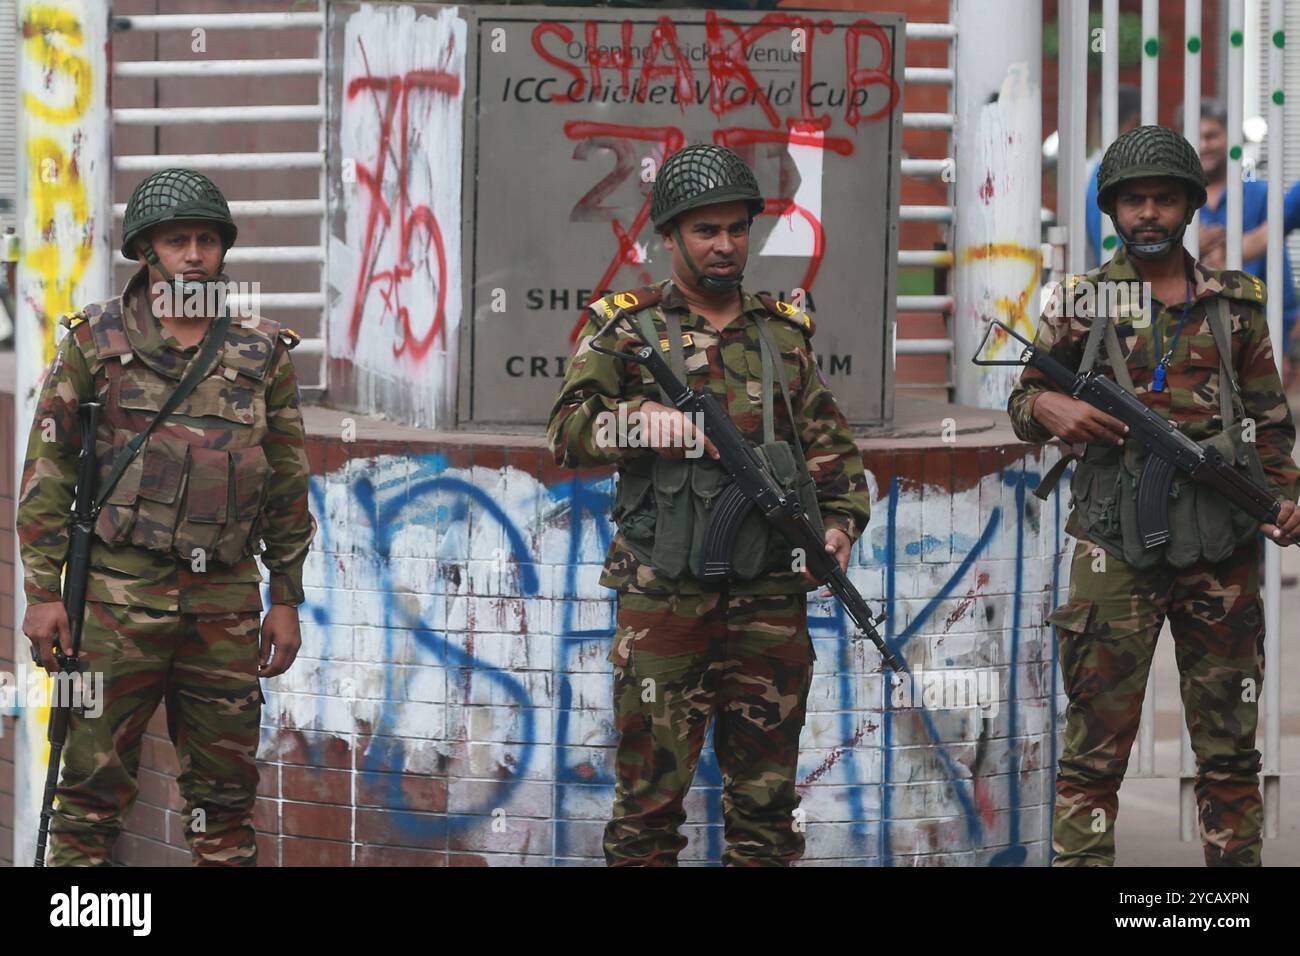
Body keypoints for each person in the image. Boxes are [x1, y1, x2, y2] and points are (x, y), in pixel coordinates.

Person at [546, 144, 872, 866]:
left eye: (735, 228)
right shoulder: (624, 331)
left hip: (768, 605)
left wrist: (842, 526)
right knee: (648, 811)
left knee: (766, 810)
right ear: (668, 237)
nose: (724, 244)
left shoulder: (782, 334)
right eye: (705, 230)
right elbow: (566, 432)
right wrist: (639, 422)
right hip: (665, 606)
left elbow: (833, 455)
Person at [1008, 126, 1300, 866]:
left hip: (1221, 551)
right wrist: (1049, 410)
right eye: (1134, 199)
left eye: (1164, 199)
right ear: (1111, 210)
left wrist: (1288, 498)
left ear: (1189, 208)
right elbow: (1023, 399)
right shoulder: (1081, 302)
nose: (1148, 213)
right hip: (1113, 549)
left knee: (1231, 754)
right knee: (1094, 755)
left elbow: (1271, 425)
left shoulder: (1235, 306)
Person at [18, 167, 317, 866]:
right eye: (176, 240)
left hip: (225, 608)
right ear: (146, 253)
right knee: (89, 801)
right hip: (114, 603)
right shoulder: (96, 342)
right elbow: (48, 473)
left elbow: (286, 481)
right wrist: (40, 595)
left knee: (225, 806)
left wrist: (287, 598)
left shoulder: (261, 350)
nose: (193, 254)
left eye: (206, 240)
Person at [1189, 99, 1298, 382]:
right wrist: (1190, 246)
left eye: (1212, 135)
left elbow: (1278, 274)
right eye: (1196, 136)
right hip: (1188, 340)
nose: (1204, 145)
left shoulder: (1258, 194)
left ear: (1229, 138)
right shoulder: (1175, 200)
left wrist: (1282, 348)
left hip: (1251, 340)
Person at [1085, 84, 1143, 269]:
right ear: (1136, 122)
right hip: (1132, 288)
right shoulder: (1132, 177)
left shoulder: (1087, 172)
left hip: (1098, 285)